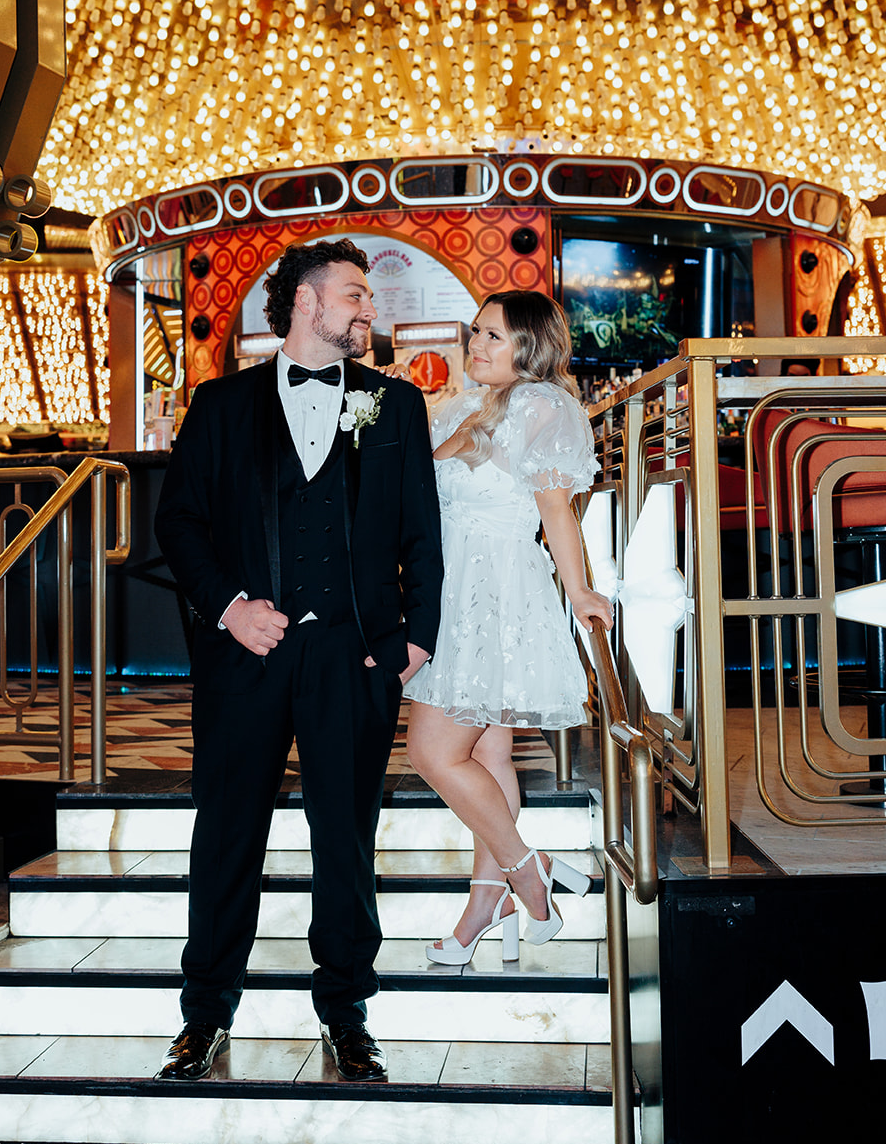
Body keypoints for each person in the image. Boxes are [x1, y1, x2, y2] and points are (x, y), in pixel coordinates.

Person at [154, 238, 442, 1083]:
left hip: (354, 659)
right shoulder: (218, 405)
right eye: (356, 293)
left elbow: (421, 530)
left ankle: (347, 1014)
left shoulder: (394, 405)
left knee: (346, 836)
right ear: (308, 303)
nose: (369, 308)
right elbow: (180, 525)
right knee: (228, 833)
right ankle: (204, 1015)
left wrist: (412, 640)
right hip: (246, 655)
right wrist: (230, 609)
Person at [406, 290, 613, 964]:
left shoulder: (543, 406)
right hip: (453, 587)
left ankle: (529, 868)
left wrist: (580, 588)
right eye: (476, 333)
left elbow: (557, 509)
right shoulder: (465, 405)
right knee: (488, 755)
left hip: (494, 591)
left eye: (493, 336)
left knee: (435, 754)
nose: (476, 345)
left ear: (530, 345)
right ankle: (484, 903)